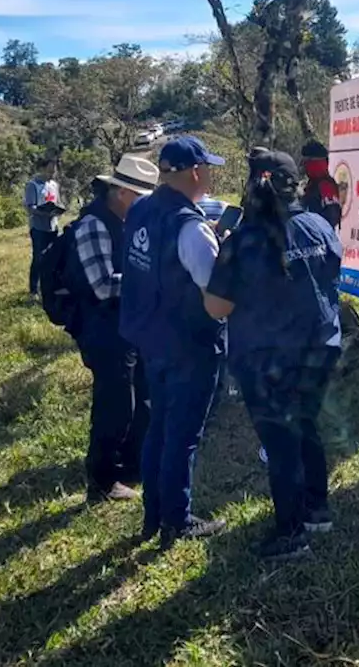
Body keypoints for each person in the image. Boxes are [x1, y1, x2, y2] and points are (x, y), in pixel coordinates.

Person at [205, 150, 342, 561]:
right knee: (306, 424)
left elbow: (217, 307)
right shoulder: (319, 224)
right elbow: (333, 273)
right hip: (321, 348)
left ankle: (291, 534)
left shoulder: (243, 240)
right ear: (295, 184)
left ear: (251, 188)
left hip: (267, 360)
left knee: (281, 445)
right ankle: (318, 509)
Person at [120, 136, 228, 549]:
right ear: (196, 171)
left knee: (159, 428)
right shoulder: (190, 226)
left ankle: (153, 515)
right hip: (189, 343)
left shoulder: (143, 207)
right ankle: (177, 521)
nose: (211, 176)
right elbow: (213, 291)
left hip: (151, 337)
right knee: (183, 436)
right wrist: (224, 252)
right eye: (208, 169)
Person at [68, 155, 159, 504]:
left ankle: (132, 464)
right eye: (140, 196)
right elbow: (103, 285)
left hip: (128, 324)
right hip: (102, 328)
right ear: (122, 192)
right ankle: (102, 480)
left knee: (141, 396)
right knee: (114, 403)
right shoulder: (94, 225)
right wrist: (151, 278)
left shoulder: (126, 220)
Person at [24, 157, 63, 299]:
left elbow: (57, 202)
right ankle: (33, 291)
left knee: (53, 258)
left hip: (53, 226)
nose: (52, 172)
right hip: (39, 227)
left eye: (54, 170)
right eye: (49, 169)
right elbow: (30, 207)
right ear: (42, 168)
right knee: (38, 258)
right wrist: (44, 212)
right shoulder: (33, 185)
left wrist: (58, 211)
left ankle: (49, 287)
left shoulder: (54, 185)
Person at [300, 139, 341, 230]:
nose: (304, 166)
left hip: (320, 238)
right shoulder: (312, 183)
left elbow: (332, 217)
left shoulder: (326, 185)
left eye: (307, 161)